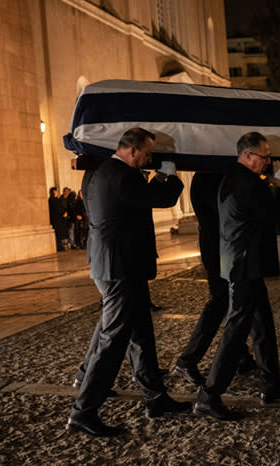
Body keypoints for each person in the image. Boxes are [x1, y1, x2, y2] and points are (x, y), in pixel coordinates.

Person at [67, 128, 190, 437]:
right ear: (133, 151)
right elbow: (160, 198)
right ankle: (83, 411)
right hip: (121, 267)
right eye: (147, 155)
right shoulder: (124, 176)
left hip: (114, 265)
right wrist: (171, 177)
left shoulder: (97, 173)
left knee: (141, 334)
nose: (149, 161)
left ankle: (156, 397)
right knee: (113, 343)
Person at [193, 132, 280, 422]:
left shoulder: (230, 178)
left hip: (237, 262)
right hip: (245, 265)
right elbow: (276, 215)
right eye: (265, 157)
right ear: (248, 156)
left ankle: (270, 384)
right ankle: (209, 395)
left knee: (262, 324)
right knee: (236, 330)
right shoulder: (250, 184)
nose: (268, 162)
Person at [172, 172, 257, 386]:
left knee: (231, 301)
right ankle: (188, 359)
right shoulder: (213, 177)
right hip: (219, 245)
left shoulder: (204, 175)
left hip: (216, 243)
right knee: (221, 300)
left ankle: (240, 355)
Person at [48, 187, 67, 252]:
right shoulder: (53, 200)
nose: (57, 192)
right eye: (56, 191)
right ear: (54, 192)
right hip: (56, 219)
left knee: (59, 233)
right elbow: (57, 209)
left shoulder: (54, 200)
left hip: (58, 219)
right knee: (57, 233)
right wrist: (63, 213)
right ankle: (58, 246)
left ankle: (59, 245)